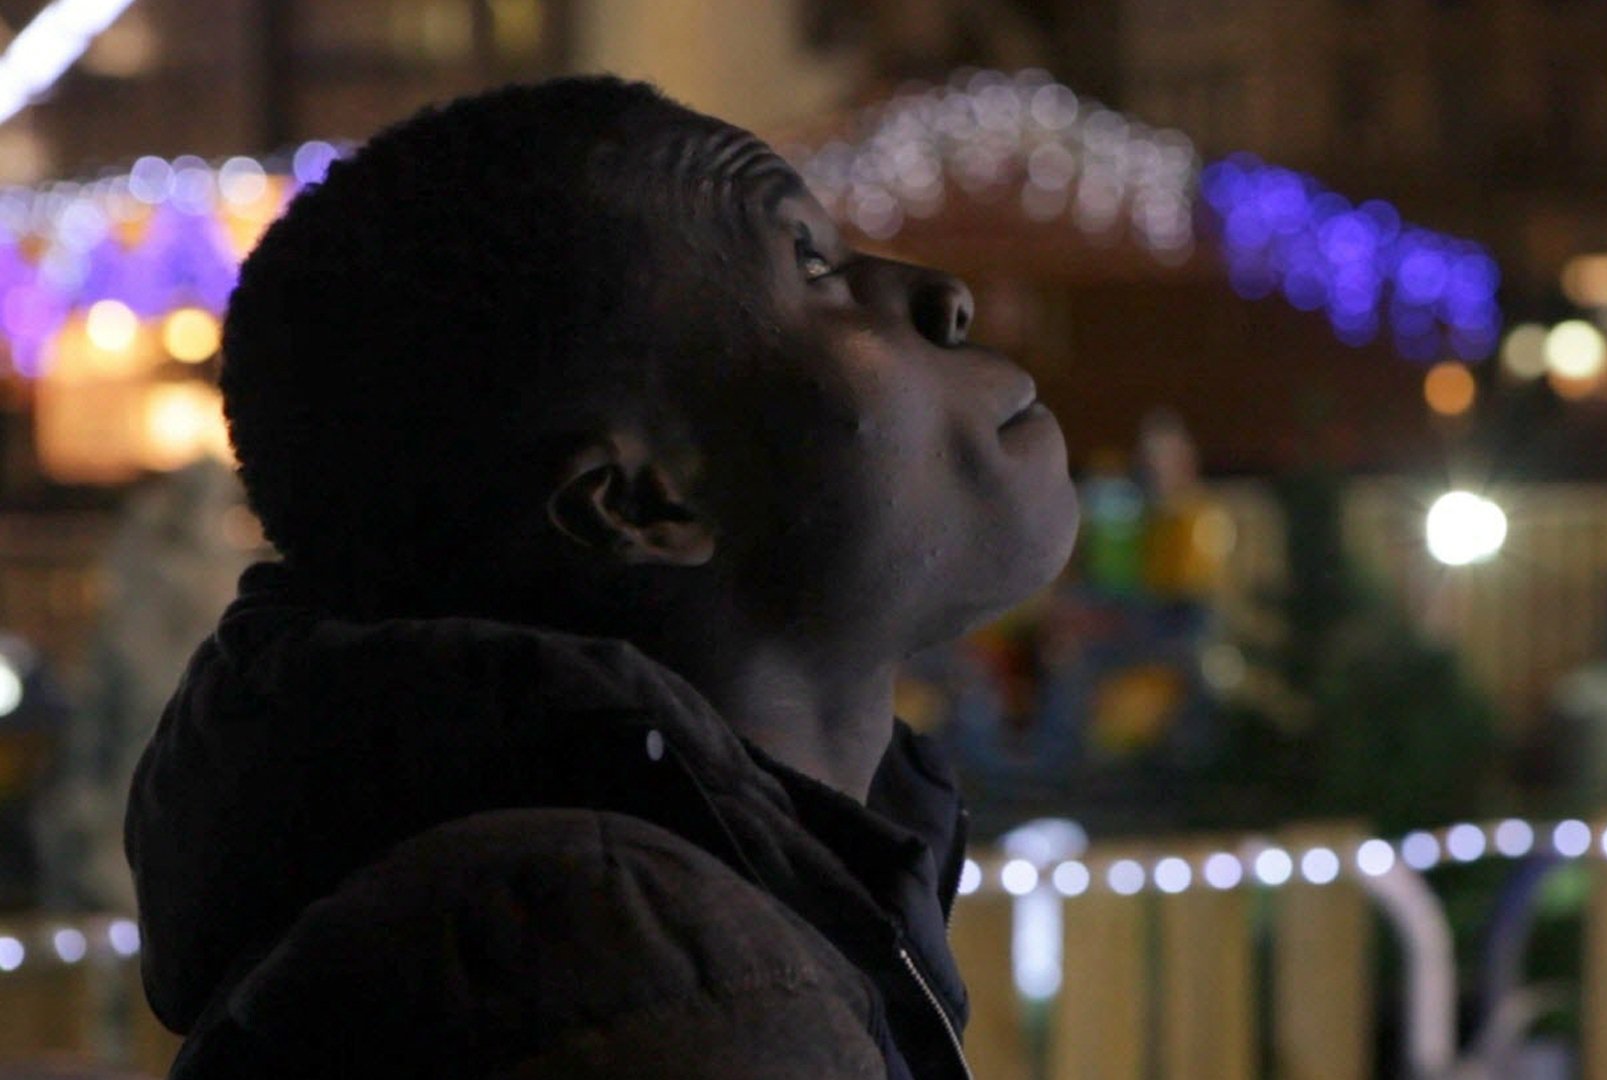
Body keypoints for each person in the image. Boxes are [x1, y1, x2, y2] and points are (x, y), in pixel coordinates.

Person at [124, 77, 1078, 1079]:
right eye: (812, 265)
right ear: (638, 502)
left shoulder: (615, 938)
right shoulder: (634, 991)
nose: (942, 296)